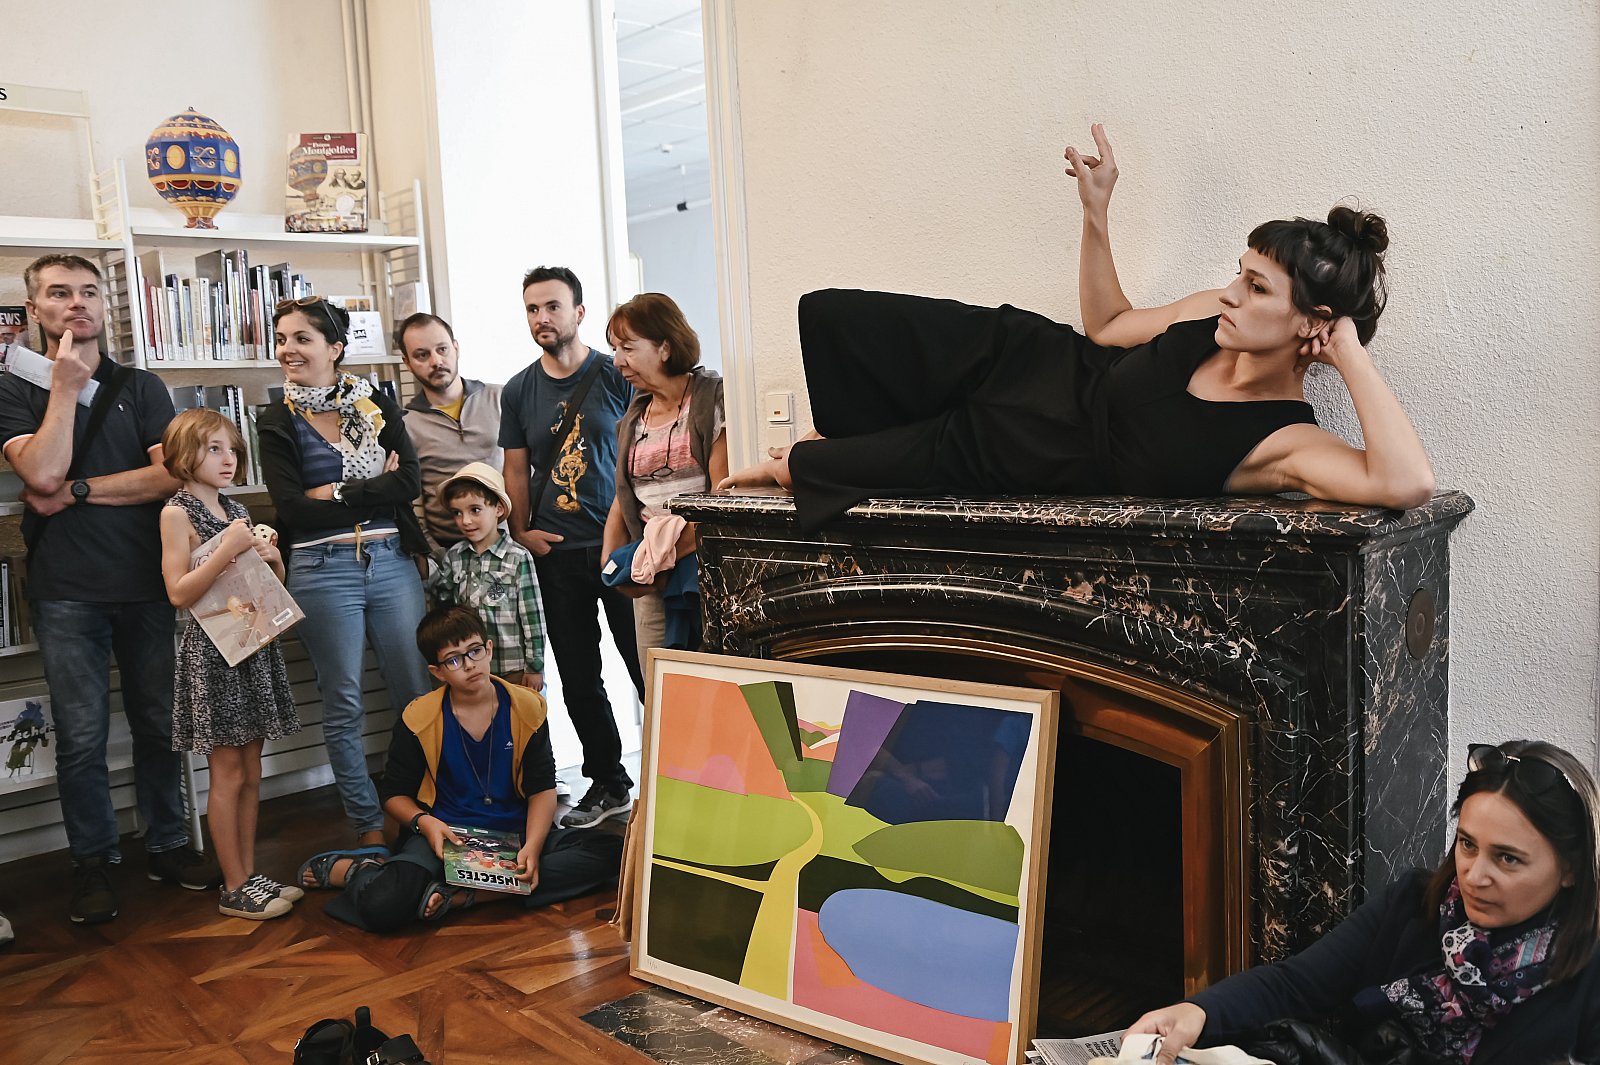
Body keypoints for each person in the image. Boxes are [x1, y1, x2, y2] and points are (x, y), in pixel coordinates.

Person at [719, 124, 1435, 529]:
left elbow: (1406, 483)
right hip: (1013, 357)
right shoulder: (1206, 315)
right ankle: (831, 437)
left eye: (1255, 287)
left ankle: (803, 456)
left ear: (1314, 322)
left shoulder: (1286, 441)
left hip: (1006, 455)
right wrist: (1096, 215)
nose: (1229, 293)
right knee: (834, 317)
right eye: (1238, 273)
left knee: (807, 470)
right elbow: (1109, 325)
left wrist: (1350, 355)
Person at [1130, 740, 1600, 1064]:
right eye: (1467, 844)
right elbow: (1295, 984)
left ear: (1571, 870)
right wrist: (1199, 1012)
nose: (1474, 876)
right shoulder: (1415, 904)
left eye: (1508, 859)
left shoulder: (1589, 977)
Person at [0, 253, 219, 925]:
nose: (78, 303)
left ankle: (168, 843)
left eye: (89, 292)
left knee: (159, 720)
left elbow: (169, 474)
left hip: (148, 582)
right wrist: (64, 388)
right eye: (60, 293)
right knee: (81, 734)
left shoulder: (141, 386)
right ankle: (92, 862)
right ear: (34, 309)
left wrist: (78, 491)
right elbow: (40, 472)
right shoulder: (13, 387)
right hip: (66, 590)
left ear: (105, 304)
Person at [294, 606, 623, 931]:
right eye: (453, 660)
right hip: (445, 838)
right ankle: (361, 870)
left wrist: (533, 848)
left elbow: (542, 789)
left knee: (613, 852)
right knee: (383, 904)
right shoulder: (419, 717)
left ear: (488, 649)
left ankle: (465, 895)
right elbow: (394, 795)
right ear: (437, 672)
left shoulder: (527, 707)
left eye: (474, 651)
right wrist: (426, 824)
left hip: (514, 836)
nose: (469, 665)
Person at [256, 296, 432, 850]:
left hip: (392, 560)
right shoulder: (276, 419)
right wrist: (373, 488)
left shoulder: (375, 402)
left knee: (417, 695)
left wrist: (333, 491)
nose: (287, 349)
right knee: (344, 703)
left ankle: (423, 814)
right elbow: (292, 509)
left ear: (334, 348)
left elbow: (409, 484)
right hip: (320, 567)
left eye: (301, 338)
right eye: (281, 339)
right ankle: (368, 826)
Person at [499, 266, 641, 830]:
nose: (542, 318)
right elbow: (515, 469)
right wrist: (521, 531)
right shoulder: (518, 390)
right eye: (532, 309)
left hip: (620, 549)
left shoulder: (615, 374)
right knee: (579, 678)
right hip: (556, 554)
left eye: (553, 307)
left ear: (579, 313)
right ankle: (608, 783)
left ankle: (682, 776)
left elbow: (640, 451)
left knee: (644, 665)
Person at [157, 409, 303, 921]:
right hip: (214, 654)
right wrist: (230, 549)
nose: (228, 459)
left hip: (252, 644)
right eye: (214, 449)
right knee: (227, 771)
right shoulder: (176, 513)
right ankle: (233, 884)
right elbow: (178, 592)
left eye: (232, 450)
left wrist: (273, 558)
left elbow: (264, 588)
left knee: (251, 769)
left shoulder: (235, 509)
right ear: (184, 455)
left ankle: (249, 874)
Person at [600, 292, 727, 667]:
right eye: (614, 348)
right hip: (650, 573)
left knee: (708, 678)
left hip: (700, 570)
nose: (617, 360)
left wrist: (661, 558)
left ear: (665, 348)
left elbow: (722, 498)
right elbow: (624, 496)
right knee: (657, 683)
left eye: (627, 348)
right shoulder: (634, 415)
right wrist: (611, 562)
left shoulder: (711, 400)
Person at [428, 462, 545, 692]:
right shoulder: (455, 557)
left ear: (498, 509)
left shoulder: (518, 557)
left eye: (475, 510)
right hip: (469, 669)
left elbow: (533, 618)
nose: (465, 521)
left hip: (512, 668)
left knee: (519, 714)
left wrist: (534, 667)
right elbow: (443, 606)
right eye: (457, 513)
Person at [396, 313, 504, 556]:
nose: (436, 361)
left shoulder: (501, 399)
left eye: (442, 349)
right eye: (422, 355)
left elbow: (528, 471)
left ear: (456, 348)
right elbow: (410, 503)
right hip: (447, 550)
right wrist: (436, 556)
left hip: (509, 542)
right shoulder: (405, 424)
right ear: (407, 362)